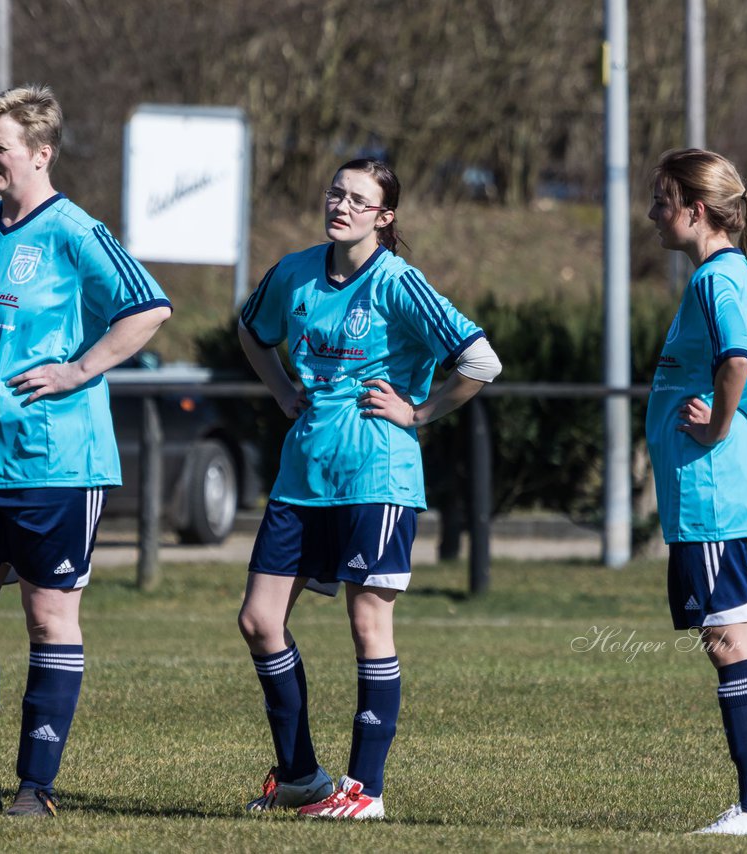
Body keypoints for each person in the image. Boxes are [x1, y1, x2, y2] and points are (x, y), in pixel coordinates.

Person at [0, 85, 171, 817]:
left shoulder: (77, 231)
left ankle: (35, 789)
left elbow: (148, 308)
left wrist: (79, 370)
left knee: (50, 617)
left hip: (53, 460)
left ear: (40, 154)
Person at [236, 158, 502, 820]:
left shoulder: (398, 282)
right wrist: (280, 391)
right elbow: (251, 328)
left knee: (367, 621)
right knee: (259, 620)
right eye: (336, 192)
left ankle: (365, 791)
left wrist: (419, 411)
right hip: (304, 476)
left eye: (359, 199)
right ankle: (300, 777)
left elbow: (481, 360)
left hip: (377, 476)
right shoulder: (295, 271)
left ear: (384, 217)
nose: (342, 205)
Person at [645, 148, 747, 836]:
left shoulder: (717, 280)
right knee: (734, 637)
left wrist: (716, 426)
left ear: (694, 210)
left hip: (716, 494)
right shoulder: (726, 276)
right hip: (725, 495)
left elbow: (736, 359)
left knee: (730, 641)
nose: (653, 214)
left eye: (661, 200)